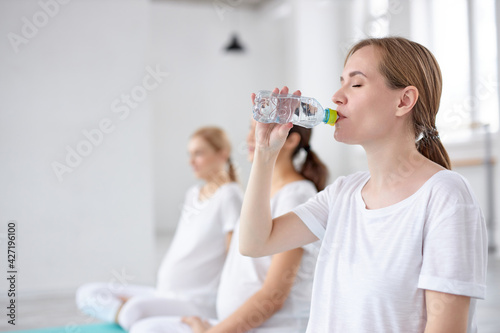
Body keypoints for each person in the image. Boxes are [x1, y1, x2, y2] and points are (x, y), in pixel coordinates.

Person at [239, 37, 488, 333]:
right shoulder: (343, 194)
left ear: (404, 101)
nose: (336, 97)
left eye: (355, 84)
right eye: (341, 82)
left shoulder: (445, 196)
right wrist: (265, 155)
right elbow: (255, 243)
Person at [128, 120, 328, 333]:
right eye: (251, 128)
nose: (251, 137)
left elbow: (274, 295)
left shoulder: (295, 195)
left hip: (271, 328)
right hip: (238, 326)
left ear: (291, 140)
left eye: (261, 128)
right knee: (145, 327)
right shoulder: (264, 193)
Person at [76, 126, 243, 330]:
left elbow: (234, 259)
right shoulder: (193, 194)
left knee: (133, 311)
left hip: (197, 301)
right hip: (164, 291)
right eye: (189, 154)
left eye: (198, 153)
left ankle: (136, 315)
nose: (191, 161)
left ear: (222, 154)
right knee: (87, 294)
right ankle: (139, 315)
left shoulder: (230, 195)